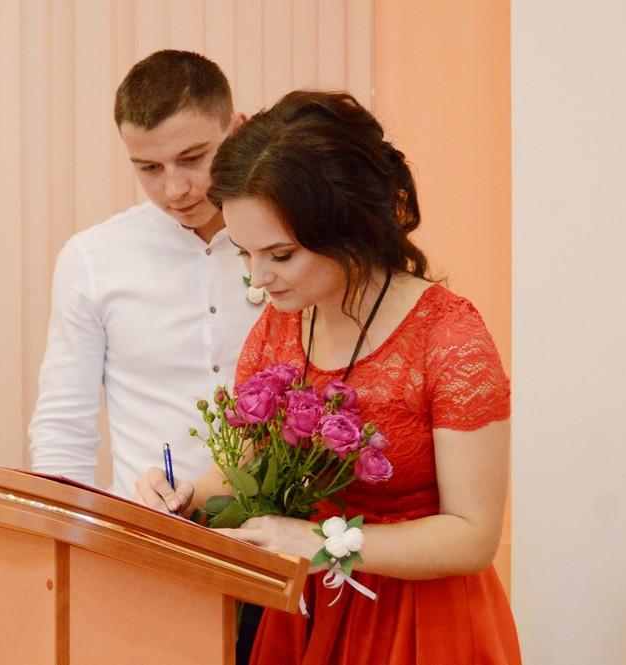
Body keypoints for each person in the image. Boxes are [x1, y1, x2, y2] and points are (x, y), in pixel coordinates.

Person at [134, 90, 521, 664]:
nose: (258, 279)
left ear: (350, 231)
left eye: (280, 255)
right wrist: (187, 496)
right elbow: (244, 466)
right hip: (308, 614)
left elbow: (472, 536)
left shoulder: (449, 339)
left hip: (420, 624)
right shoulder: (278, 328)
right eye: (244, 254)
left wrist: (323, 542)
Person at [27, 50, 262, 497]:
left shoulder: (292, 248)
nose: (174, 189)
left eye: (192, 158)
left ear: (237, 130)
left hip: (280, 529)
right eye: (150, 168)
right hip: (144, 526)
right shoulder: (91, 258)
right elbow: (63, 427)